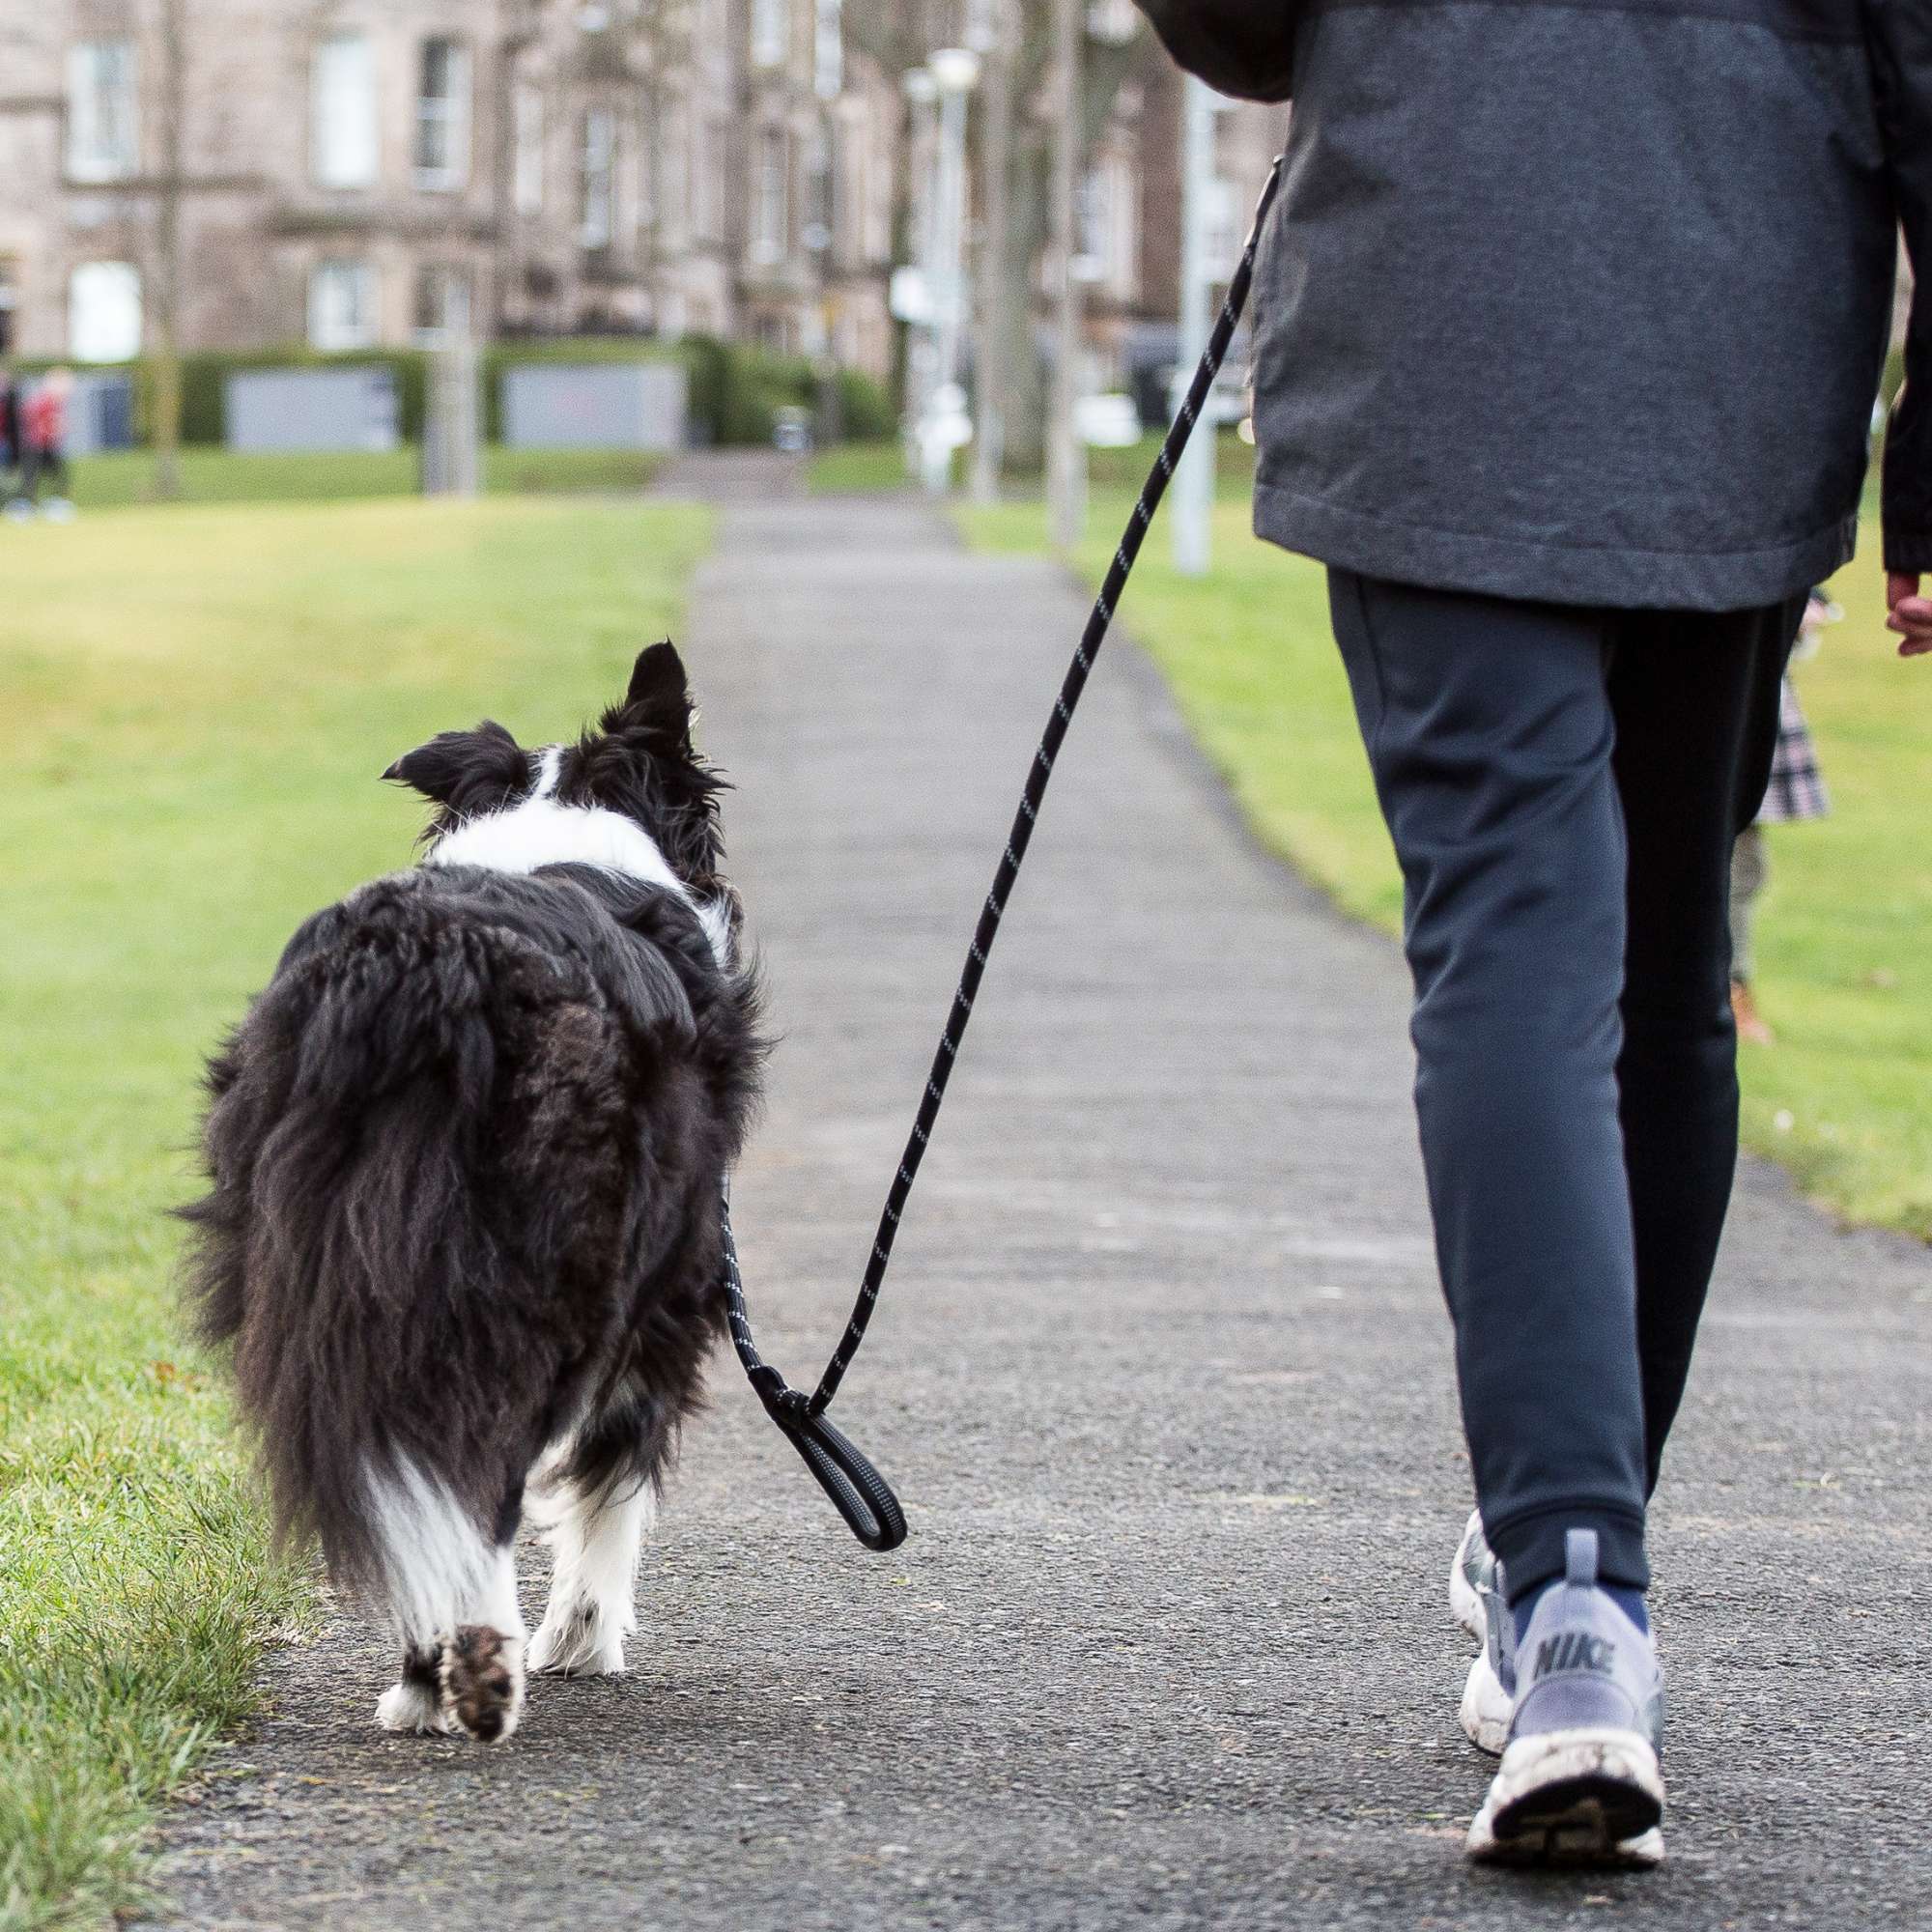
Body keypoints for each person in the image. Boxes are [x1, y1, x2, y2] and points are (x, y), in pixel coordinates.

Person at [1138, 0, 1930, 1870]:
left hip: (1443, 319)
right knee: (1658, 981)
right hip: (1734, 326)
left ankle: (1569, 1605)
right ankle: (1575, 1590)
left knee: (1513, 943)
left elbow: (1240, 23)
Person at [1730, 594, 1838, 1046]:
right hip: (1724, 698)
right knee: (1732, 872)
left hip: (1753, 693)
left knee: (1746, 871)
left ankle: (1730, 989)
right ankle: (1729, 992)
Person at [17, 368, 75, 521]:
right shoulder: (44, 400)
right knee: (31, 478)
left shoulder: (56, 402)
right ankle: (25, 508)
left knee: (59, 475)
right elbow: (31, 416)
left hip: (47, 446)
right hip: (36, 445)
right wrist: (47, 428)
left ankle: (54, 504)